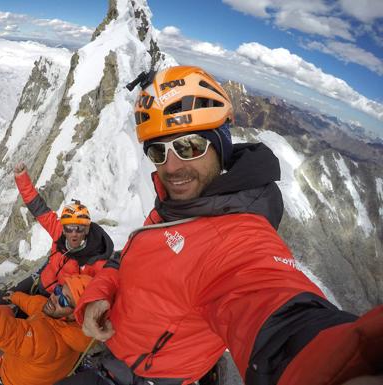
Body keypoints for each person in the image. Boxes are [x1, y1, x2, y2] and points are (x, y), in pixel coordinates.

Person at [59, 66, 383, 385]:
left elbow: (275, 314)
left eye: (189, 147)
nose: (172, 167)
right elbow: (130, 256)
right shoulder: (175, 204)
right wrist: (101, 293)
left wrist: (343, 366)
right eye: (158, 151)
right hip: (117, 346)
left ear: (221, 144)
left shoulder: (237, 237)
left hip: (154, 374)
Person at [0, 253, 95, 385]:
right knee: (4, 310)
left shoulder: (45, 340)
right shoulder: (72, 327)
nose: (55, 298)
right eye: (58, 290)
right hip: (31, 370)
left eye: (64, 300)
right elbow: (38, 306)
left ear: (75, 315)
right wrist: (16, 297)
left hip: (11, 380)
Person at [7, 161, 114, 297]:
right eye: (69, 228)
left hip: (58, 302)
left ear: (87, 229)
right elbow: (37, 207)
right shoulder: (58, 232)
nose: (73, 233)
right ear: (63, 228)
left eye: (79, 228)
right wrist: (22, 178)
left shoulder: (96, 262)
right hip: (44, 280)